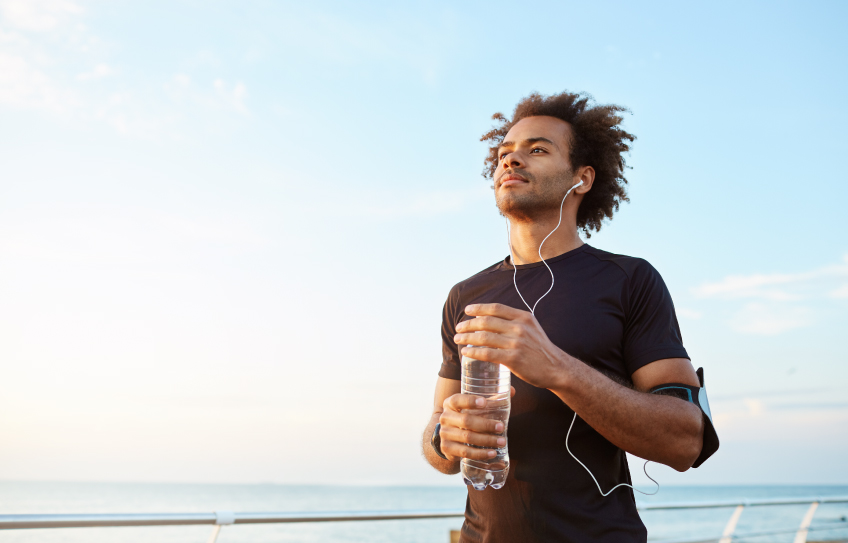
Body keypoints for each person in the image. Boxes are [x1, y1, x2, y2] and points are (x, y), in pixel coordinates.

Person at [421, 91, 718, 542]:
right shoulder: (465, 295)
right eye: (504, 153)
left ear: (582, 178)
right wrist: (447, 436)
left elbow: (685, 441)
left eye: (537, 149)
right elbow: (437, 441)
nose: (512, 160)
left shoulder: (629, 280)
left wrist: (556, 368)